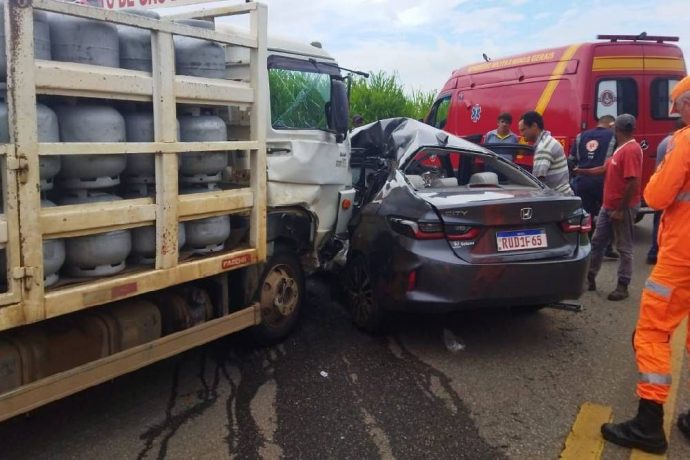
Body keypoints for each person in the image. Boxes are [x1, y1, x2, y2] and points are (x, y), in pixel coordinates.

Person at [599, 75, 690, 455]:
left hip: (682, 255)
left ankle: (649, 425)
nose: (676, 113)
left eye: (679, 104)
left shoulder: (685, 142)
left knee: (651, 333)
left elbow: (656, 193)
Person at [574, 113, 642, 301]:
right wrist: (583, 171)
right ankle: (590, 278)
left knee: (624, 247)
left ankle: (623, 285)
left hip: (622, 207)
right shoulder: (621, 149)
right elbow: (605, 169)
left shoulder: (631, 150)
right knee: (597, 241)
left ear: (616, 130)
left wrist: (620, 209)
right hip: (608, 205)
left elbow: (632, 182)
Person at [569, 115, 619, 259]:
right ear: (611, 124)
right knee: (607, 215)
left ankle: (586, 248)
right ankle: (607, 248)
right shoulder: (613, 136)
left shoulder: (581, 136)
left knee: (586, 216)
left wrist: (575, 176)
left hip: (583, 181)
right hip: (604, 181)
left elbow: (571, 160)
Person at [647, 118, 686, 264]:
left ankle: (654, 251)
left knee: (658, 221)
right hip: (672, 192)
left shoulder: (665, 141)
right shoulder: (677, 142)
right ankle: (657, 252)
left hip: (661, 187)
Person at [518, 111, 573, 195]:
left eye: (523, 130)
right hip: (563, 196)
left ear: (534, 126)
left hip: (557, 199)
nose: (521, 134)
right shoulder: (548, 141)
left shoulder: (543, 147)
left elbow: (536, 183)